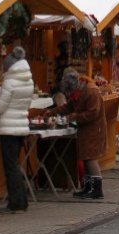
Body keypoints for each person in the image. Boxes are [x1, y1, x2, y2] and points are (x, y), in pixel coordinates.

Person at [46, 69, 108, 197]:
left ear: (74, 86)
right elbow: (68, 106)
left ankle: (96, 189)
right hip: (85, 129)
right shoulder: (79, 92)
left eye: (69, 92)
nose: (69, 94)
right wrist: (52, 112)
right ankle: (87, 187)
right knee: (85, 157)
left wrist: (74, 117)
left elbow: (93, 113)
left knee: (90, 158)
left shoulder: (91, 91)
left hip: (94, 129)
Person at [0, 46, 34, 214]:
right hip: (21, 125)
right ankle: (21, 200)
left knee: (11, 167)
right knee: (15, 164)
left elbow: (0, 107)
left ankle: (16, 202)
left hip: (8, 128)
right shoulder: (28, 80)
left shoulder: (10, 82)